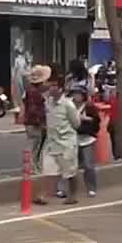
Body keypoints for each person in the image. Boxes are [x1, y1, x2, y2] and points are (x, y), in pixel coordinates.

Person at [36, 76, 80, 206]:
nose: (51, 88)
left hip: (66, 143)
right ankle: (44, 195)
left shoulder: (68, 105)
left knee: (69, 172)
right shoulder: (48, 102)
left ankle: (73, 195)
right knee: (49, 170)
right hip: (51, 142)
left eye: (54, 85)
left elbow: (76, 123)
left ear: (60, 88)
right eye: (50, 85)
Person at [72, 84, 101, 197]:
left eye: (78, 94)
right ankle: (65, 190)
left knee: (88, 165)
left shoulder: (89, 107)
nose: (76, 96)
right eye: (75, 94)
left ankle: (91, 188)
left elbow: (96, 123)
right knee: (70, 165)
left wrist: (86, 120)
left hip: (87, 139)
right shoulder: (70, 106)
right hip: (73, 139)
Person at [23, 64, 50, 179]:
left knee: (35, 145)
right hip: (34, 123)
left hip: (31, 121)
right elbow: (34, 110)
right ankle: (31, 168)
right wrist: (42, 123)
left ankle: (33, 167)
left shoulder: (30, 91)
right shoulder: (34, 93)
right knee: (34, 146)